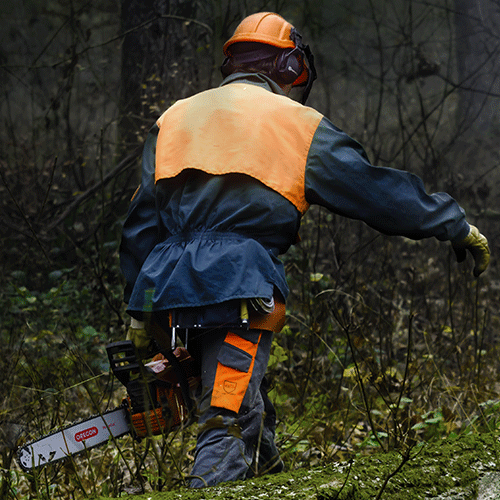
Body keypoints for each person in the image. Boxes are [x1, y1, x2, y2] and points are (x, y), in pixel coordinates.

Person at [119, 12, 490, 488]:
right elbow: (375, 191)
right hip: (239, 288)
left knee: (243, 401)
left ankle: (273, 480)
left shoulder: (174, 117)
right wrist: (452, 224)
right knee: (226, 417)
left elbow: (141, 226)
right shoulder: (295, 123)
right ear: (292, 68)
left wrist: (140, 313)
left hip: (168, 290)